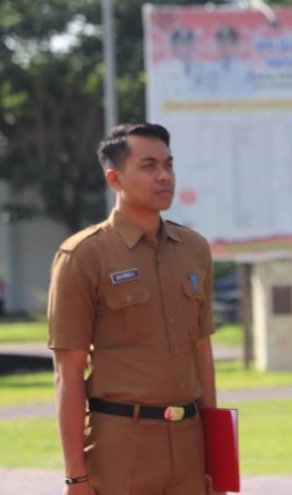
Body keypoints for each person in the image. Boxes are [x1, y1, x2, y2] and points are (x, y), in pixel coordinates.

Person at [47, 122, 222, 495]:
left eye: (169, 165)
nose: (164, 176)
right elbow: (68, 373)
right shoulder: (83, 255)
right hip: (122, 446)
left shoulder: (195, 249)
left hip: (189, 443)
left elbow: (202, 356)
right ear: (115, 179)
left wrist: (218, 461)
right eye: (149, 166)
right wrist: (76, 477)